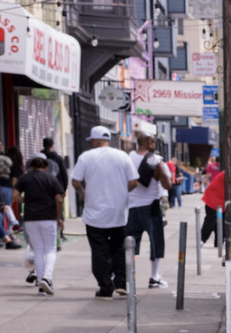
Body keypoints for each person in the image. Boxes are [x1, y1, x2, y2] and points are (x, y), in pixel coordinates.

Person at [71, 126, 139, 299]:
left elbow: (75, 181)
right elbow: (133, 182)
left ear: (95, 140)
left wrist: (84, 194)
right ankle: (122, 283)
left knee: (99, 251)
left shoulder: (86, 157)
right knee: (119, 249)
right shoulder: (122, 156)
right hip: (118, 214)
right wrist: (121, 194)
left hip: (94, 214)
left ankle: (106, 286)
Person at [125, 121, 174, 290]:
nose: (154, 144)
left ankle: (129, 277)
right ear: (148, 143)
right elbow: (167, 185)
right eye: (153, 141)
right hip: (151, 207)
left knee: (130, 243)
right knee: (156, 243)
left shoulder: (128, 157)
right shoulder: (156, 159)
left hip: (131, 207)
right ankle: (154, 277)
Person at [13, 154, 66, 295]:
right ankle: (47, 278)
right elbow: (59, 200)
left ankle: (41, 283)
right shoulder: (51, 178)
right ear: (46, 167)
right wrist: (59, 217)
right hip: (48, 218)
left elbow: (15, 196)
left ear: (31, 167)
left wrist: (27, 201)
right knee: (50, 249)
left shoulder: (25, 178)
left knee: (38, 250)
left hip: (30, 219)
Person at [200, 168, 225, 248]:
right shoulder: (228, 174)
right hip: (214, 200)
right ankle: (202, 239)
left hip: (217, 200)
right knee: (211, 222)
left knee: (219, 222)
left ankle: (219, 241)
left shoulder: (226, 173)